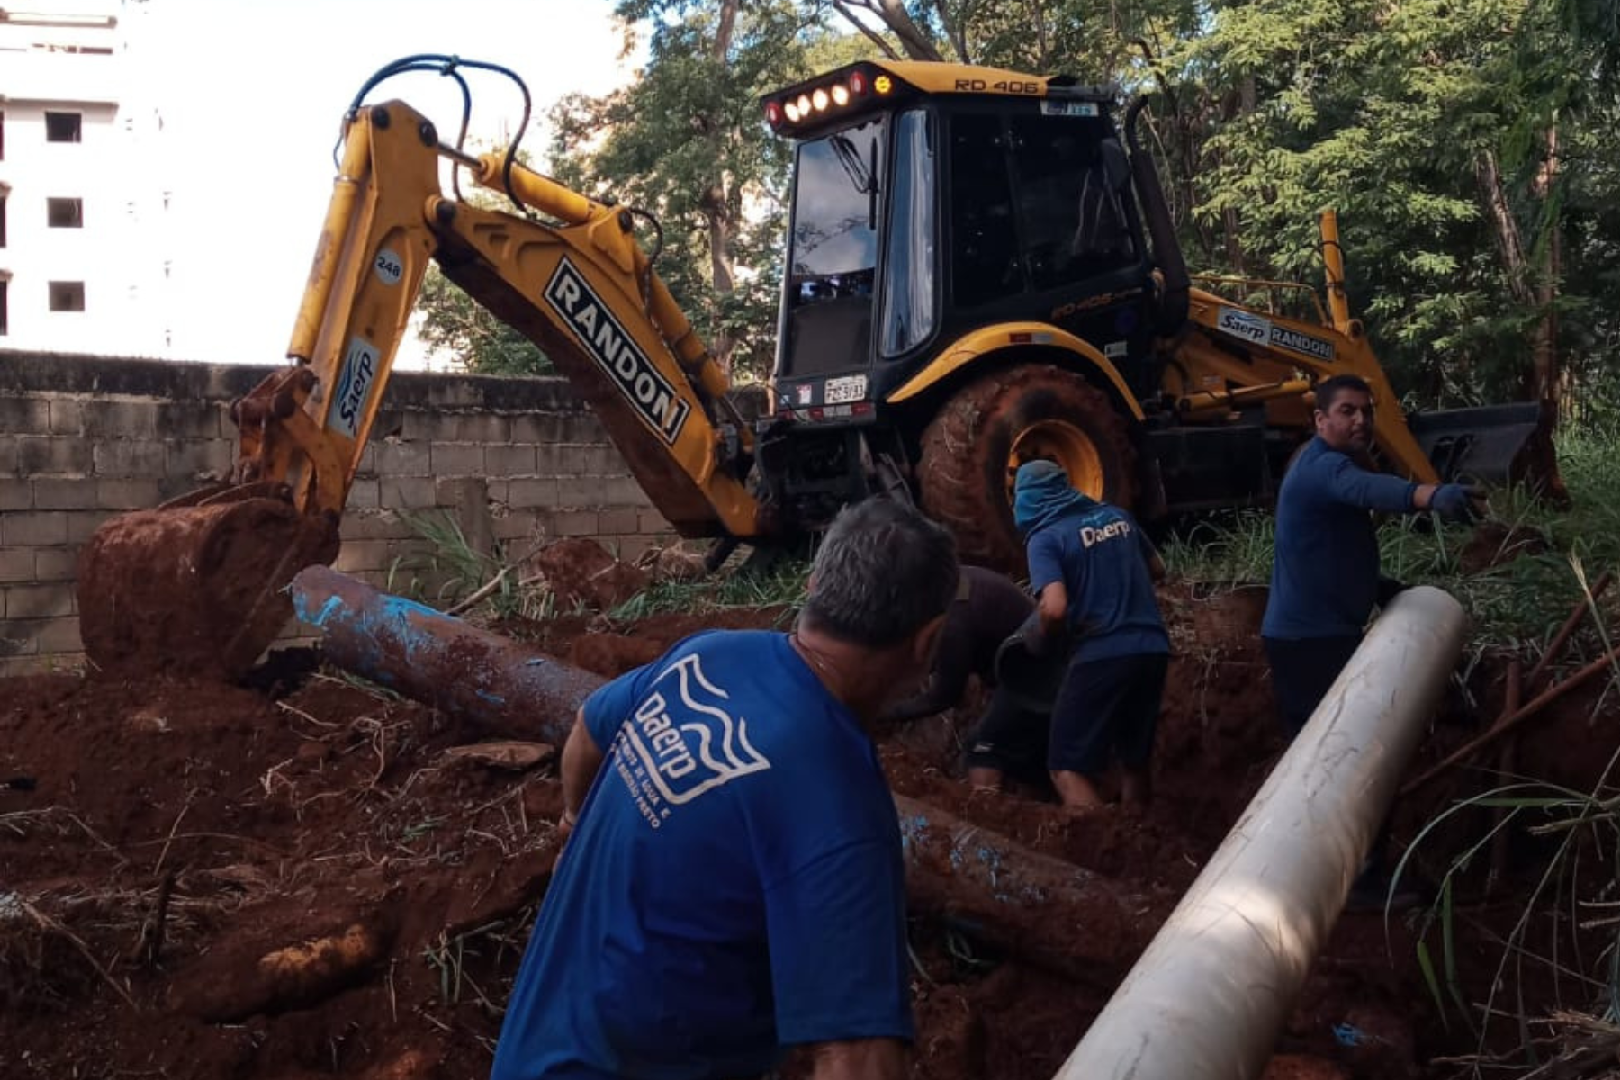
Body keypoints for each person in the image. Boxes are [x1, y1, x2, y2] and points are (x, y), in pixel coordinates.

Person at [489, 497, 960, 1080]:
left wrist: (570, 827)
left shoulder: (705, 655)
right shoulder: (840, 804)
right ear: (927, 641)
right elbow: (858, 1059)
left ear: (813, 585)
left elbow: (588, 728)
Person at [1262, 372, 1480, 907]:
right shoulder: (1322, 468)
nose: (1360, 420)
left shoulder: (1316, 470)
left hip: (1308, 635)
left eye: (1366, 411)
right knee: (1349, 757)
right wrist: (1430, 494)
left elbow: (1324, 553)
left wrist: (1377, 588)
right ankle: (1355, 880)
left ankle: (1305, 868)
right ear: (1320, 421)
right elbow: (1364, 488)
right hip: (1311, 643)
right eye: (1347, 411)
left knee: (1321, 759)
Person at [1014, 460, 1170, 811]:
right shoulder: (1118, 517)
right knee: (1134, 761)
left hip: (1102, 652)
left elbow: (1054, 608)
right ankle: (1142, 842)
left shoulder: (1045, 538)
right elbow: (1158, 569)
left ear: (1026, 498)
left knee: (1065, 768)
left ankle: (1108, 856)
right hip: (1153, 648)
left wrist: (1045, 639)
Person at [879, 566, 1051, 791]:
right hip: (1030, 667)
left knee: (981, 748)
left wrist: (885, 714)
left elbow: (945, 696)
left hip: (1036, 677)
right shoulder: (946, 581)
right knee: (1021, 754)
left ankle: (987, 816)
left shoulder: (952, 622)